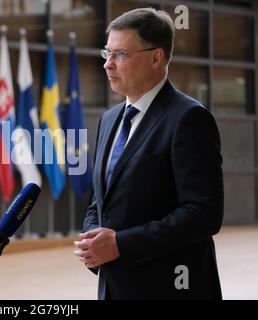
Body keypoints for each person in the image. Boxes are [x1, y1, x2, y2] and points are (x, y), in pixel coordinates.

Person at [73, 8, 223, 300]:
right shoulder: (109, 119)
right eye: (107, 53)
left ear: (156, 57)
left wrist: (121, 245)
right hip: (115, 287)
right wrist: (94, 239)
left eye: (120, 55)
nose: (107, 65)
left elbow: (203, 215)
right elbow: (101, 199)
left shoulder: (189, 118)